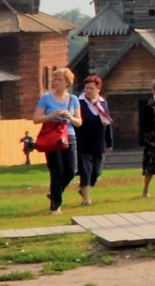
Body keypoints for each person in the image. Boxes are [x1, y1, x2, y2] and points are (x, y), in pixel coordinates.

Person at [36, 68, 79, 211]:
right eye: (54, 79)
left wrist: (70, 117)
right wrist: (51, 116)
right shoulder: (46, 98)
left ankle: (55, 193)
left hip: (69, 136)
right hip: (52, 137)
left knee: (71, 170)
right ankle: (56, 205)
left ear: (67, 82)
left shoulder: (73, 99)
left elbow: (79, 122)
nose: (56, 82)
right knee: (57, 171)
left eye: (59, 79)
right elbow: (36, 119)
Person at [72, 75, 114, 204]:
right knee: (86, 171)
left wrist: (109, 142)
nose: (88, 91)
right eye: (86, 88)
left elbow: (107, 123)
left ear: (98, 89)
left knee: (97, 171)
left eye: (91, 88)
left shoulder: (102, 103)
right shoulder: (79, 103)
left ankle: (85, 189)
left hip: (99, 142)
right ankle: (86, 198)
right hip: (83, 142)